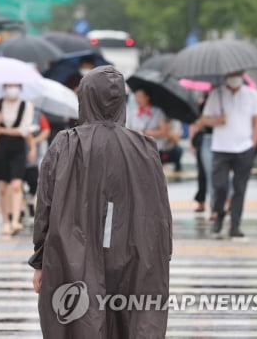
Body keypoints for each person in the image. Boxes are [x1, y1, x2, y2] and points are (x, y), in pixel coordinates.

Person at [30, 66, 171, 338]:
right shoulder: (144, 147)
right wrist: (163, 255)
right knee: (130, 321)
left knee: (79, 319)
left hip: (74, 252)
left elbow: (44, 206)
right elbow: (160, 211)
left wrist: (40, 260)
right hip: (135, 251)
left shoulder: (66, 144)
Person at [202, 71, 257, 238]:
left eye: (238, 74)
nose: (235, 77)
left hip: (244, 148)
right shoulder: (216, 94)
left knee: (240, 187)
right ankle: (219, 217)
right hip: (220, 148)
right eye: (232, 74)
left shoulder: (252, 94)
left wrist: (253, 143)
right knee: (220, 186)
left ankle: (235, 225)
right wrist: (216, 121)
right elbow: (205, 119)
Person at [0, 84, 35, 236]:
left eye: (15, 85)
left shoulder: (26, 105)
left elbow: (23, 130)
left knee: (16, 185)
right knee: (2, 188)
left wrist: (1, 129)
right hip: (0, 148)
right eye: (9, 85)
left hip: (18, 149)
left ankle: (15, 220)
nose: (11, 88)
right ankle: (5, 221)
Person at [24, 111, 51, 217]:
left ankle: (30, 201)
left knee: (33, 181)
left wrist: (34, 141)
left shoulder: (38, 116)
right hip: (17, 153)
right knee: (16, 184)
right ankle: (20, 208)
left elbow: (46, 130)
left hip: (33, 157)